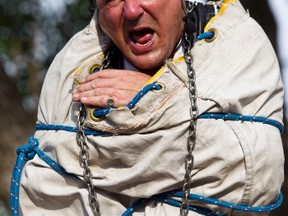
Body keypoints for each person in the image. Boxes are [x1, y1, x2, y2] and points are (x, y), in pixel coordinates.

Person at [10, 0, 285, 215]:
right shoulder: (67, 76)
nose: (131, 10)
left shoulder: (239, 46)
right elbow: (40, 190)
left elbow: (260, 168)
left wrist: (152, 101)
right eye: (112, 0)